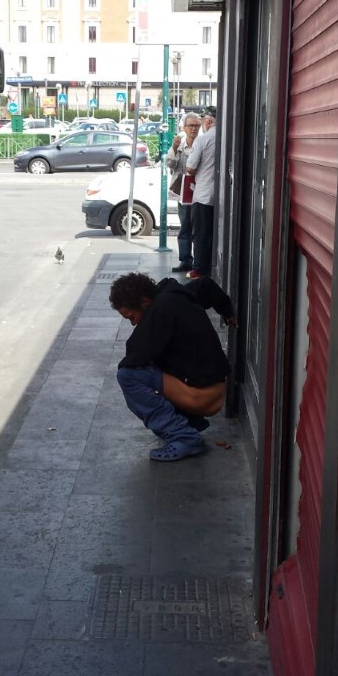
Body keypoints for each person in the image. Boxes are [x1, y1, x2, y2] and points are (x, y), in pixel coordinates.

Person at [110, 272, 237, 462]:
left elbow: (133, 357)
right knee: (155, 362)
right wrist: (228, 312)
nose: (133, 323)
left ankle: (184, 437)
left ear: (144, 301)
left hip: (202, 396)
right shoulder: (175, 294)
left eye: (132, 316)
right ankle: (189, 422)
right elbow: (205, 286)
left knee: (129, 376)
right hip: (216, 388)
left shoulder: (161, 310)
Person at [165, 113, 202, 273]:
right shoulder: (179, 144)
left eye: (196, 126)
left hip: (200, 191)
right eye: (191, 126)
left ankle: (200, 262)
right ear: (184, 128)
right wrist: (173, 149)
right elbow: (170, 164)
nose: (194, 129)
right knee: (185, 227)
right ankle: (186, 260)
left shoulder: (202, 142)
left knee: (199, 229)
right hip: (183, 193)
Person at [185, 107, 218, 279]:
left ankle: (198, 268)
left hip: (203, 193)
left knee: (200, 234)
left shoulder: (203, 140)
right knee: (213, 233)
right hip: (219, 195)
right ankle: (212, 265)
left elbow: (190, 167)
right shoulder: (225, 138)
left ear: (208, 122)